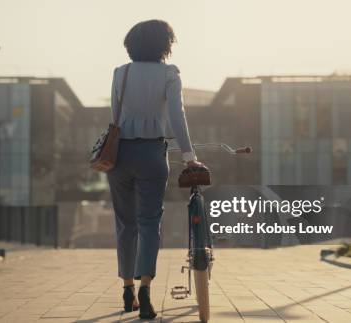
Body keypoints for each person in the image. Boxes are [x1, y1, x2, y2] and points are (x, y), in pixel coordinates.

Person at [107, 19, 204, 319]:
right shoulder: (169, 74)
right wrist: (189, 156)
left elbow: (115, 116)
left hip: (119, 155)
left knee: (125, 223)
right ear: (165, 45)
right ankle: (146, 287)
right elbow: (178, 117)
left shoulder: (120, 73)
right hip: (151, 154)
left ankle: (127, 289)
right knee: (149, 222)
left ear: (131, 43)